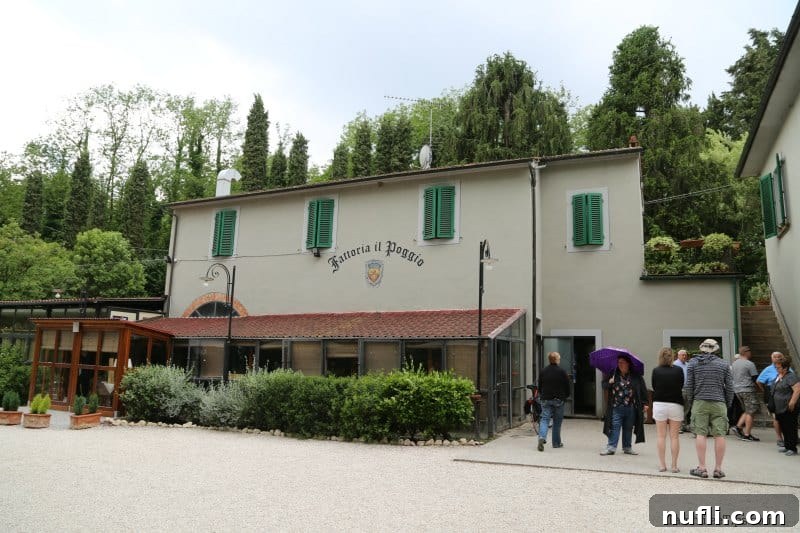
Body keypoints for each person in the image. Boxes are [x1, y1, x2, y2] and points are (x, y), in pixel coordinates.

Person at [686, 339, 733, 479]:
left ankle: (702, 468)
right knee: (720, 435)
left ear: (701, 349)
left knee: (701, 434)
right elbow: (730, 387)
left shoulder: (693, 363)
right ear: (716, 350)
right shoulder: (724, 364)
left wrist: (692, 401)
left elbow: (689, 386)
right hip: (719, 403)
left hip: (700, 401)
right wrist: (727, 403)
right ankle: (718, 469)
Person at [601, 355, 648, 456]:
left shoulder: (635, 376)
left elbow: (643, 389)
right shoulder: (613, 374)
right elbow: (603, 385)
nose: (620, 364)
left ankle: (627, 447)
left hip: (630, 407)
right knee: (614, 427)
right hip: (616, 407)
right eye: (619, 362)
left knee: (628, 428)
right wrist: (609, 382)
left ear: (628, 364)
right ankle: (611, 447)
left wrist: (645, 403)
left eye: (622, 362)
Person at [651, 347, 684, 473]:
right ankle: (674, 465)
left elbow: (654, 386)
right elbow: (681, 385)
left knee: (661, 436)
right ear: (672, 357)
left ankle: (662, 465)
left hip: (659, 403)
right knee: (674, 437)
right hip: (675, 403)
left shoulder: (656, 370)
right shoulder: (679, 370)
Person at [537, 351, 570, 451]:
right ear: (557, 359)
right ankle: (556, 443)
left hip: (546, 399)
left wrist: (542, 394)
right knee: (557, 422)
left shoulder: (543, 371)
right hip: (558, 400)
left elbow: (540, 386)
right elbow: (567, 387)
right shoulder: (562, 372)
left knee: (544, 419)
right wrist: (566, 396)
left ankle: (542, 437)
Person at [757, 352, 791, 447]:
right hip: (773, 395)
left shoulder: (788, 368)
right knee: (776, 417)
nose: (777, 358)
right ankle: (779, 438)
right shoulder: (768, 369)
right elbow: (759, 381)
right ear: (771, 358)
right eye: (775, 357)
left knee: (786, 416)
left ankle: (790, 437)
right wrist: (765, 391)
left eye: (779, 357)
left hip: (785, 395)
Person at [771, 354, 800, 456]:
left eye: (778, 367)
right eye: (776, 367)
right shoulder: (779, 376)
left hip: (788, 407)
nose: (776, 369)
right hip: (779, 407)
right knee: (783, 427)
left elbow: (797, 389)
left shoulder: (791, 376)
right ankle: (787, 446)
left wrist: (792, 402)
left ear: (785, 368)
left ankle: (792, 448)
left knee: (790, 428)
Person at [730, 346, 760, 441]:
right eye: (750, 351)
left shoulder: (734, 364)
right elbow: (755, 378)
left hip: (737, 390)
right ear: (746, 352)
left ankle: (738, 427)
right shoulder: (749, 364)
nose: (751, 353)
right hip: (748, 390)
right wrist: (761, 388)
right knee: (751, 412)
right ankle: (747, 434)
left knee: (747, 410)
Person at [673, 349, 691, 432]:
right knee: (679, 408)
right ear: (678, 355)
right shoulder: (674, 364)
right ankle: (679, 426)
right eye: (682, 355)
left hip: (688, 388)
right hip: (679, 388)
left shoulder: (688, 364)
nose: (684, 356)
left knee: (687, 407)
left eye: (685, 355)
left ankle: (684, 425)